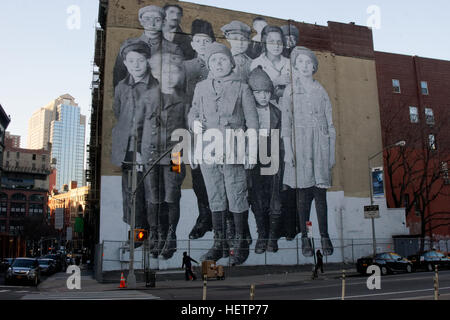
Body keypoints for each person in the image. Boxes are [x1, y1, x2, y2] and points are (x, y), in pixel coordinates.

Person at [188, 42, 259, 266]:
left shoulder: (242, 88)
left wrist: (251, 152)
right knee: (215, 197)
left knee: (236, 195)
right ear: (208, 64)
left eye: (222, 59)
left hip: (233, 147)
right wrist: (194, 123)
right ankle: (219, 243)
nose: (218, 64)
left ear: (231, 62)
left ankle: (240, 243)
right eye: (213, 60)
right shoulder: (201, 88)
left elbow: (253, 124)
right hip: (208, 148)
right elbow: (193, 112)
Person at [281, 46, 336, 257]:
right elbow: (286, 123)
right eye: (300, 62)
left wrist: (330, 153)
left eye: (308, 62)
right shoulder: (290, 91)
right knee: (303, 196)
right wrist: (289, 151)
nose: (304, 66)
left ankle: (325, 236)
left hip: (319, 145)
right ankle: (305, 238)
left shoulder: (321, 91)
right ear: (295, 66)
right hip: (300, 145)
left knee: (320, 194)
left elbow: (330, 125)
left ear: (314, 66)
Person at [140, 53, 189, 260]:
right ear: (157, 74)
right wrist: (136, 155)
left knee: (172, 196)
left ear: (179, 75)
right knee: (153, 198)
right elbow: (137, 127)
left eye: (174, 72)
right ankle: (157, 236)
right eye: (165, 72)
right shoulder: (148, 97)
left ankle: (171, 236)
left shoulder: (184, 100)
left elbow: (189, 129)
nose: (169, 76)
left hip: (175, 156)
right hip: (150, 155)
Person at [111, 39, 158, 234]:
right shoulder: (121, 87)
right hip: (126, 147)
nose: (136, 65)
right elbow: (118, 112)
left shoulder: (156, 87)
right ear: (125, 63)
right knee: (129, 189)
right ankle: (135, 227)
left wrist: (140, 150)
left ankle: (149, 229)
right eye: (131, 61)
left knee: (148, 189)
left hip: (147, 147)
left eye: (140, 60)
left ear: (147, 60)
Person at [183, 19, 216, 240]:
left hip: (219, 130)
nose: (202, 44)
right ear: (192, 43)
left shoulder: (223, 64)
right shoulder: (187, 68)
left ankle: (221, 218)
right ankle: (205, 216)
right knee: (198, 176)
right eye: (198, 41)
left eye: (207, 40)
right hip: (195, 128)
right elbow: (183, 103)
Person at [247, 66, 284, 254]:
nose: (263, 96)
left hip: (274, 157)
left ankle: (272, 238)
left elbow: (283, 140)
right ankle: (262, 235)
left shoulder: (277, 113)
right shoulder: (247, 113)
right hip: (254, 158)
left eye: (266, 92)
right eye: (258, 92)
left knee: (274, 198)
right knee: (257, 199)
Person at [113, 5, 184, 87]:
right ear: (141, 21)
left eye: (157, 20)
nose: (152, 24)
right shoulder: (128, 47)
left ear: (164, 22)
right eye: (147, 19)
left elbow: (180, 78)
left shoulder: (174, 49)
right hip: (133, 95)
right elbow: (118, 76)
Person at [250, 25, 291, 106]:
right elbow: (253, 91)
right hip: (266, 110)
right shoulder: (256, 63)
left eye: (279, 42)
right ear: (264, 42)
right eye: (271, 42)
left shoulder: (289, 63)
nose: (276, 46)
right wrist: (275, 82)